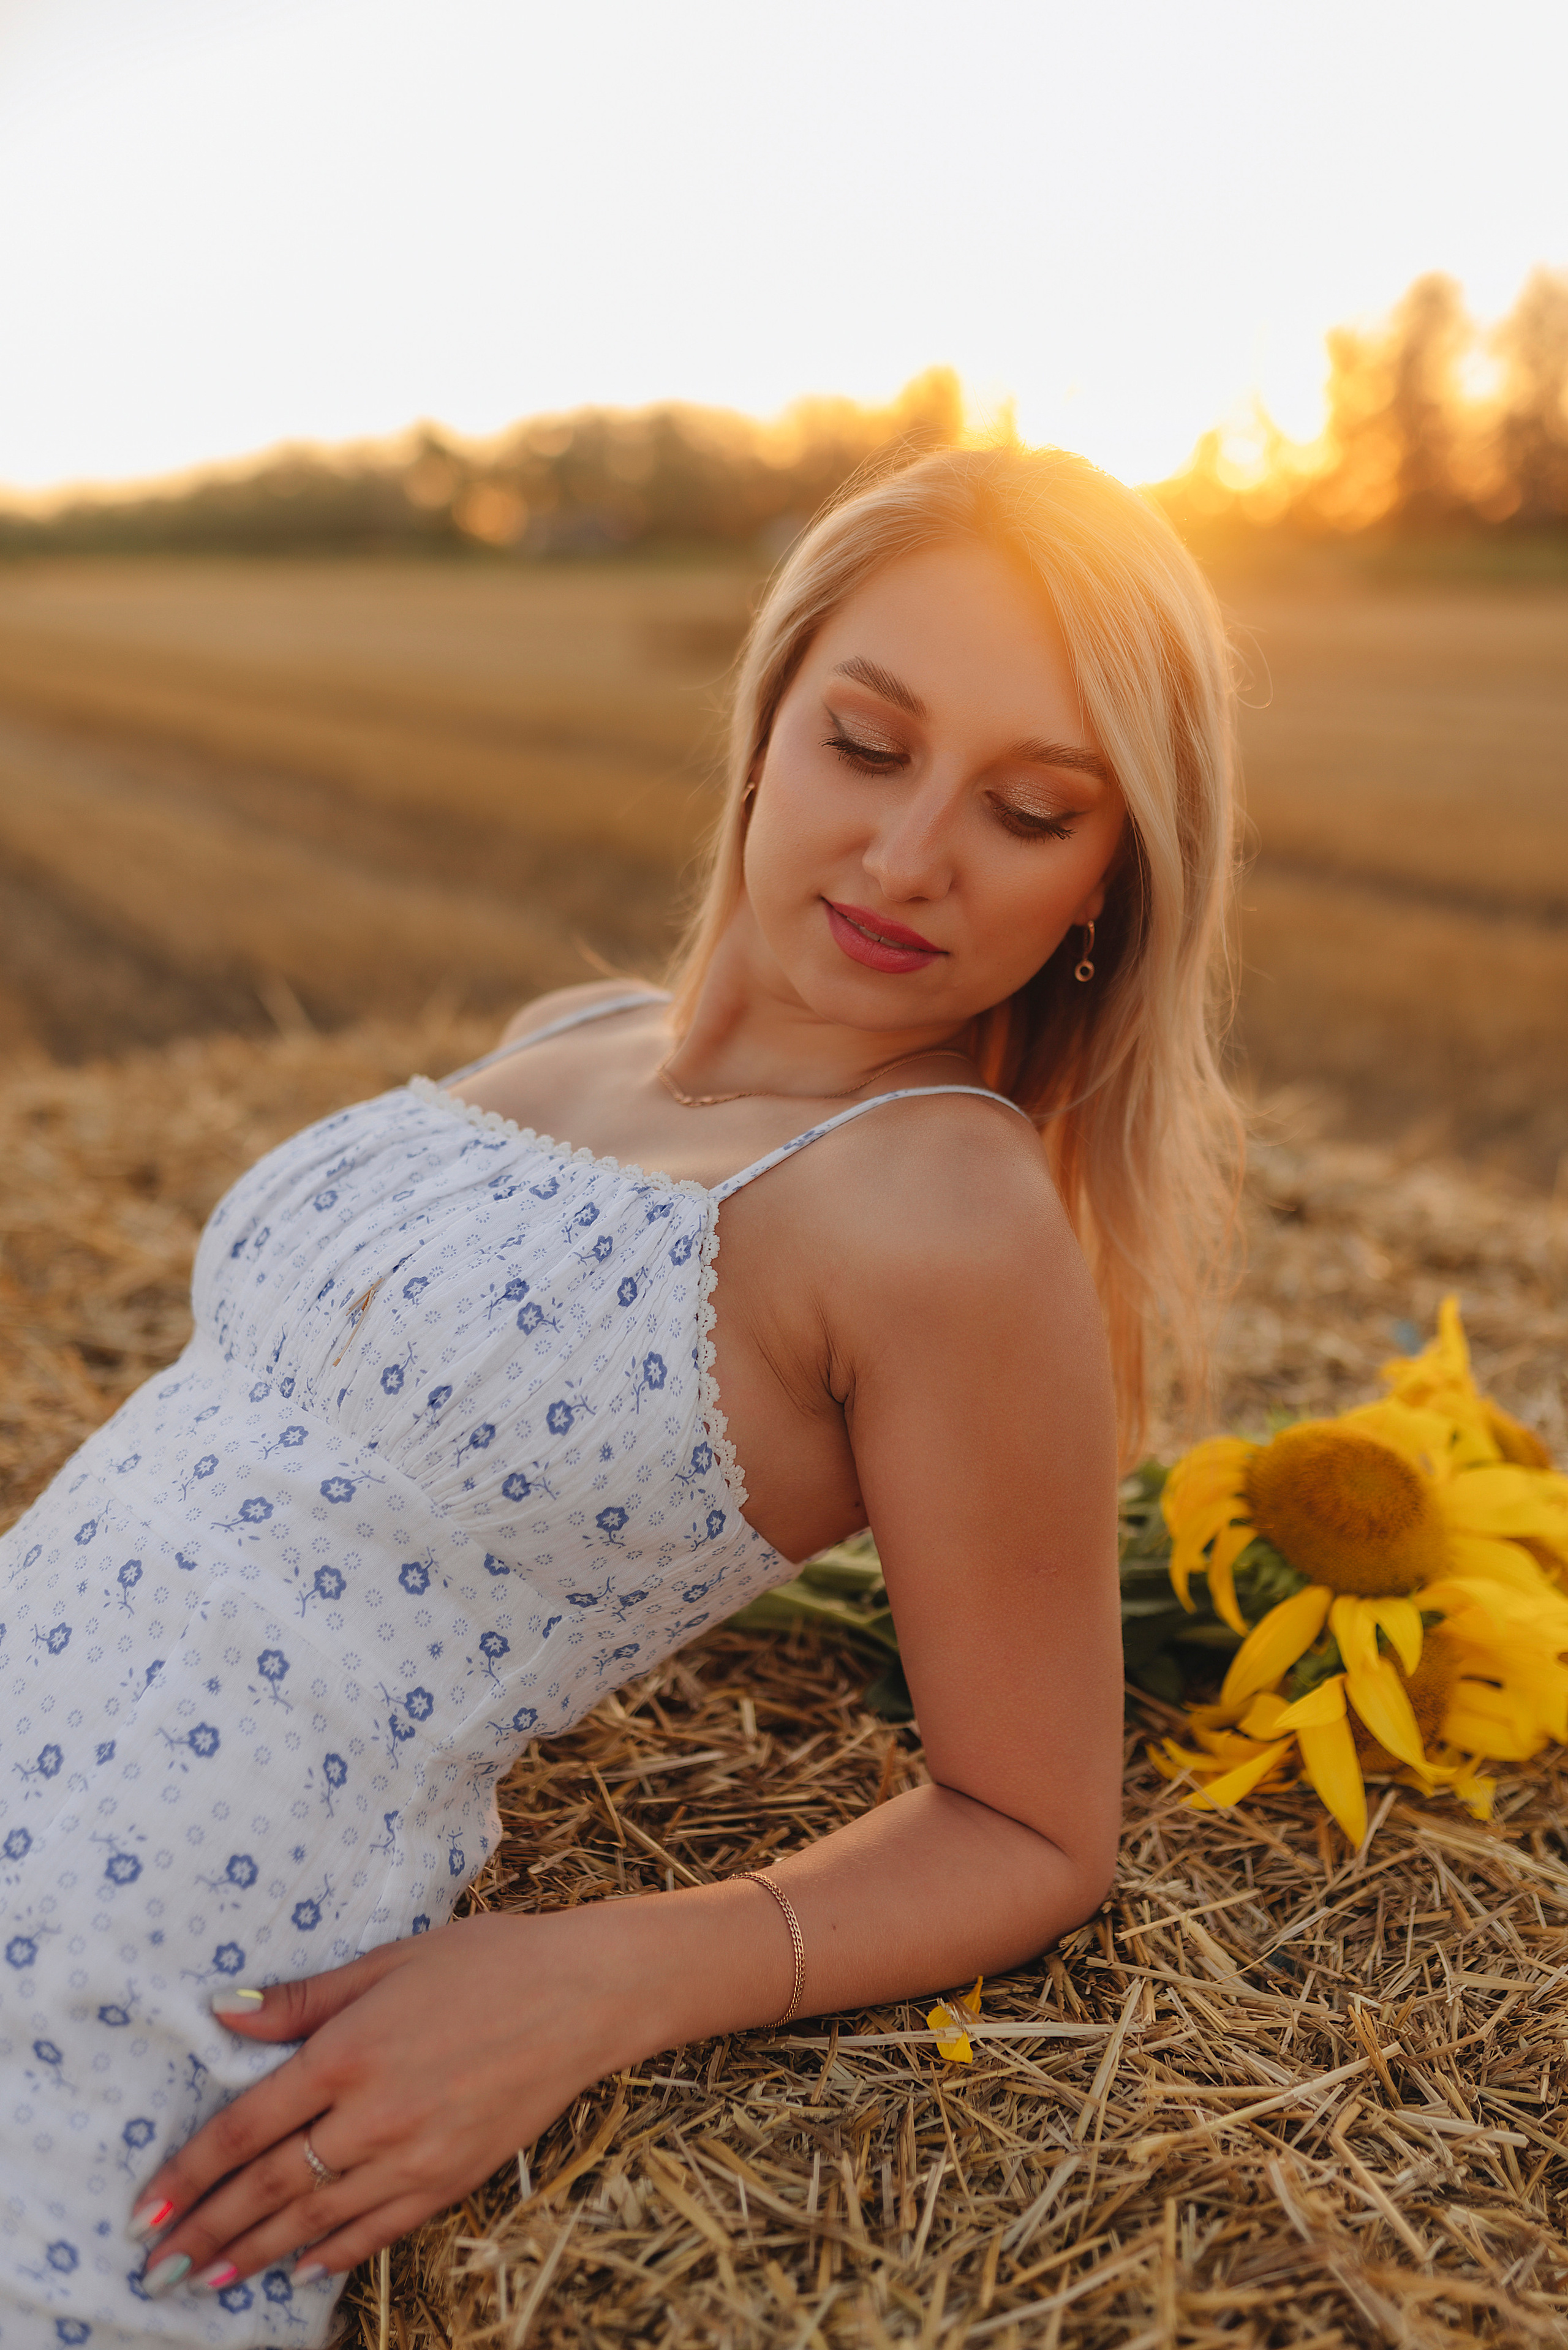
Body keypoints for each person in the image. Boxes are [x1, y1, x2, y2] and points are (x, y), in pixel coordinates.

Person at [0, 442, 1239, 2345]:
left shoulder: (942, 1212)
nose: (912, 859)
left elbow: (1032, 1823)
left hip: (145, 2002)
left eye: (1031, 809)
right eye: (869, 745)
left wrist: (600, 1980)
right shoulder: (571, 1038)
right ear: (767, 723)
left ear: (1108, 880)